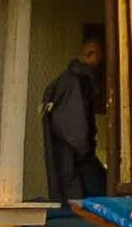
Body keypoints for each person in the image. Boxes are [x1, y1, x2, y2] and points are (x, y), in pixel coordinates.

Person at [41, 27, 109, 203]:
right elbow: (75, 128)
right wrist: (85, 152)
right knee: (102, 196)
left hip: (70, 160)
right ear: (91, 54)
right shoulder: (76, 82)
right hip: (76, 163)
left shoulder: (67, 81)